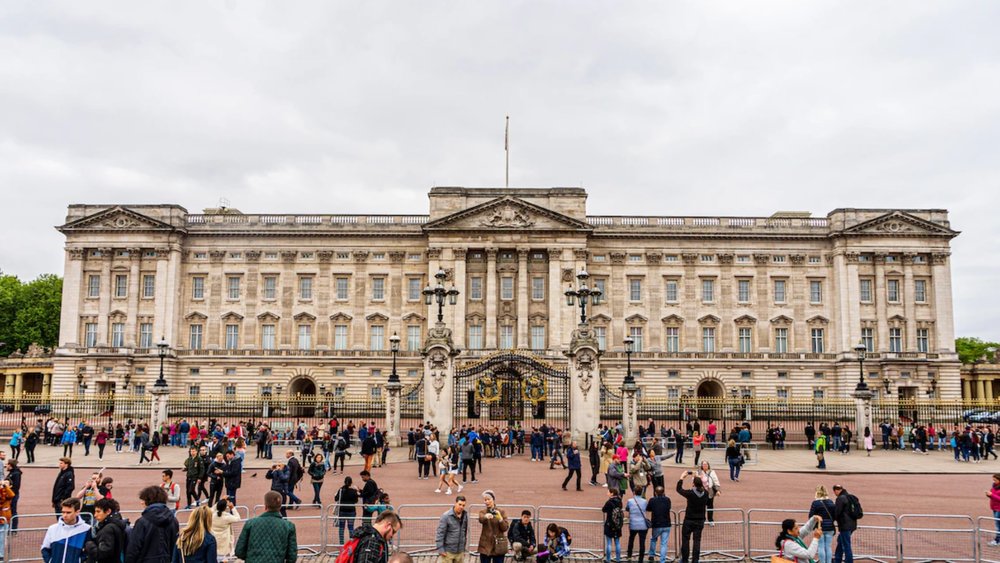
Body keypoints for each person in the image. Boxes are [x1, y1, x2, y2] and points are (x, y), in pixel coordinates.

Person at [235, 491, 298, 563]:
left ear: (265, 506)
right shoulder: (289, 526)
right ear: (280, 506)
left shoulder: (251, 523)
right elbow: (292, 556)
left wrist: (250, 557)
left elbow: (239, 551)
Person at [125, 485, 180, 563]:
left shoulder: (142, 522)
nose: (141, 503)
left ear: (149, 500)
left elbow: (134, 548)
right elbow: (175, 545)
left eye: (143, 500)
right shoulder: (173, 520)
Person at [41, 498, 91, 563]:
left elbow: (88, 551)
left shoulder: (86, 529)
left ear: (77, 512)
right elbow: (45, 548)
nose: (65, 515)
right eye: (63, 512)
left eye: (68, 512)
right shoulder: (52, 529)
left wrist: (79, 561)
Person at [676, 470, 710, 563]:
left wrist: (681, 478)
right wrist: (698, 478)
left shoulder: (690, 493)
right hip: (700, 520)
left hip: (689, 519)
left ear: (693, 484)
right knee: (697, 541)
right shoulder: (705, 494)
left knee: (685, 540)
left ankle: (685, 559)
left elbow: (679, 489)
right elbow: (704, 488)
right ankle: (695, 560)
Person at [84, 497, 127, 563]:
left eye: (98, 511)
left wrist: (89, 544)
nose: (95, 515)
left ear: (108, 511)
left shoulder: (108, 529)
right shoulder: (116, 525)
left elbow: (102, 553)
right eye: (95, 512)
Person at [478, 490, 509, 563]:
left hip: (498, 544)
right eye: (485, 500)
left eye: (489, 499)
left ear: (493, 500)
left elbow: (505, 528)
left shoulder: (501, 512)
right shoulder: (483, 512)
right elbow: (481, 519)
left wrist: (500, 519)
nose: (487, 502)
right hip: (485, 545)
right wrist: (485, 516)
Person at [436, 496, 469, 563]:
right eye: (460, 504)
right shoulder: (446, 516)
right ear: (455, 503)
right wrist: (440, 549)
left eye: (463, 505)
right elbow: (440, 533)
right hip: (448, 552)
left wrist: (463, 548)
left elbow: (464, 532)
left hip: (460, 551)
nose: (461, 507)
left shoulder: (465, 516)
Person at [809, 485, 837, 563]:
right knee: (828, 547)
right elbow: (834, 515)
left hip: (819, 527)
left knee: (821, 546)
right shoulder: (831, 502)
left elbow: (811, 516)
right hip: (830, 527)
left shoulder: (815, 503)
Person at [832, 485, 857, 563]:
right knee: (841, 541)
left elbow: (837, 512)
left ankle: (848, 561)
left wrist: (832, 519)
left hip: (844, 525)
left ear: (836, 491)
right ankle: (837, 559)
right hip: (852, 525)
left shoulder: (840, 499)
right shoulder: (851, 497)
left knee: (846, 545)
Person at [646, 486, 672, 563]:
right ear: (663, 492)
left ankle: (651, 555)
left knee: (653, 539)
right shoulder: (667, 500)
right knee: (664, 543)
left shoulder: (652, 500)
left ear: (655, 493)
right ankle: (662, 560)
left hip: (656, 523)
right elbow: (669, 507)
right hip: (666, 524)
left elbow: (648, 508)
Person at [625, 488, 648, 563]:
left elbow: (627, 509)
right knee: (642, 542)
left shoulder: (630, 501)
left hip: (633, 524)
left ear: (634, 492)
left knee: (631, 539)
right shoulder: (645, 501)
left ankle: (629, 555)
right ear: (641, 493)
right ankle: (640, 559)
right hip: (643, 525)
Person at [335, 476, 359, 545]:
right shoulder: (353, 491)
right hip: (351, 510)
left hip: (342, 510)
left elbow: (336, 498)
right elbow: (356, 500)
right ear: (351, 483)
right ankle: (351, 543)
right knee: (351, 527)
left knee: (341, 528)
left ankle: (341, 543)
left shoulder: (341, 490)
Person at [696, 461, 721, 525]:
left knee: (710, 506)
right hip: (701, 491)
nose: (705, 465)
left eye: (706, 464)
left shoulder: (712, 472)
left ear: (708, 465)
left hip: (709, 491)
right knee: (701, 506)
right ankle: (702, 519)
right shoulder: (698, 472)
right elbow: (695, 481)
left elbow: (715, 481)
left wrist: (718, 490)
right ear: (701, 465)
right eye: (703, 464)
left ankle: (710, 520)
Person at [602, 488, 623, 563]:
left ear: (612, 493)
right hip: (617, 524)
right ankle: (618, 559)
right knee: (617, 542)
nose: (607, 493)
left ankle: (608, 559)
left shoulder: (609, 502)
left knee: (609, 543)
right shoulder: (619, 501)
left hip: (609, 524)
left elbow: (603, 510)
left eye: (608, 492)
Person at [0, 477, 14, 558]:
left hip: (4, 518)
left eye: (6, 483)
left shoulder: (9, 492)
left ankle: (1, 555)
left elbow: (11, 495)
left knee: (1, 537)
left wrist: (5, 487)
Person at [7, 459, 22, 531]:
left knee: (13, 511)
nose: (6, 466)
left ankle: (14, 528)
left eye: (7, 464)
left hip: (13, 495)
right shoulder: (12, 472)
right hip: (11, 495)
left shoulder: (15, 474)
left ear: (11, 465)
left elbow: (16, 486)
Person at [987, 474, 1000, 546]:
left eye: (995, 480)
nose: (994, 481)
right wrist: (989, 495)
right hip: (994, 507)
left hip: (999, 509)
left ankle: (997, 540)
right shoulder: (994, 486)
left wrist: (991, 495)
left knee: (998, 525)